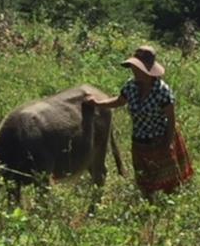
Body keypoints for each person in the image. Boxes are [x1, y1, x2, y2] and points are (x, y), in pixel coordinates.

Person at [83, 45, 194, 204]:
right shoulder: (131, 86)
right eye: (133, 67)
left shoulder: (162, 91)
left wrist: (167, 143)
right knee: (144, 179)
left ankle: (169, 208)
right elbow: (119, 101)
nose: (134, 70)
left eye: (137, 67)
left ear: (148, 71)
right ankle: (148, 205)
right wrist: (97, 103)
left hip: (159, 137)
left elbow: (171, 118)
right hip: (140, 139)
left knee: (168, 180)